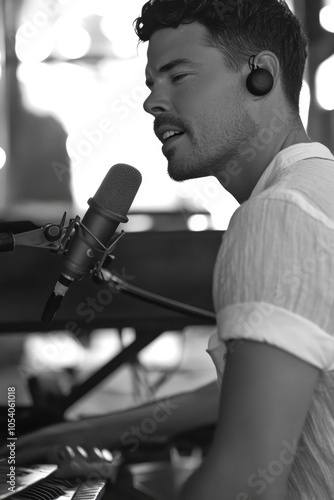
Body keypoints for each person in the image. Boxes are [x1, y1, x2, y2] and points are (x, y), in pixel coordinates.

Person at [5, 1, 334, 499]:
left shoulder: (277, 215)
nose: (151, 102)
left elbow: (244, 485)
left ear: (261, 75)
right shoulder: (318, 190)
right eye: (150, 83)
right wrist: (69, 435)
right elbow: (249, 394)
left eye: (177, 76)